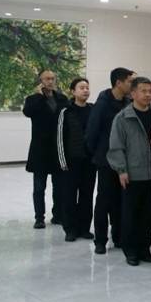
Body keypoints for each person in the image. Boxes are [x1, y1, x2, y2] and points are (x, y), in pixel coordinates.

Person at [107, 77, 151, 266]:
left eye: (149, 91)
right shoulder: (123, 118)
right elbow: (116, 147)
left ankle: (145, 249)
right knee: (131, 214)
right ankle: (131, 251)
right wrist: (121, 170)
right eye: (143, 91)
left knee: (149, 215)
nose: (148, 95)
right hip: (133, 174)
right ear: (133, 94)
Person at [87, 67, 134, 253]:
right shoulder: (102, 104)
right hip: (105, 160)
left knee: (121, 200)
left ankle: (119, 236)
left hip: (125, 160)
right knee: (104, 200)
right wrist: (98, 154)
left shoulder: (129, 103)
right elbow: (92, 132)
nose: (132, 85)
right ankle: (100, 240)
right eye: (130, 82)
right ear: (118, 83)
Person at [23, 69, 70, 229]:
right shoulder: (33, 99)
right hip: (40, 150)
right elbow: (28, 112)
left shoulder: (61, 98)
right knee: (39, 187)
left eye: (52, 78)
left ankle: (58, 215)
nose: (50, 81)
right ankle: (39, 217)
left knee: (59, 186)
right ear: (41, 81)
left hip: (58, 149)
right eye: (47, 79)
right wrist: (38, 96)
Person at [57, 77, 95, 241]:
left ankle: (84, 228)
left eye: (87, 87)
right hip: (71, 162)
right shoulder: (65, 111)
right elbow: (59, 138)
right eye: (81, 88)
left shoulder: (93, 110)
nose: (85, 90)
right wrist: (62, 162)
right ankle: (70, 229)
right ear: (73, 91)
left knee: (87, 195)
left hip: (89, 161)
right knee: (69, 196)